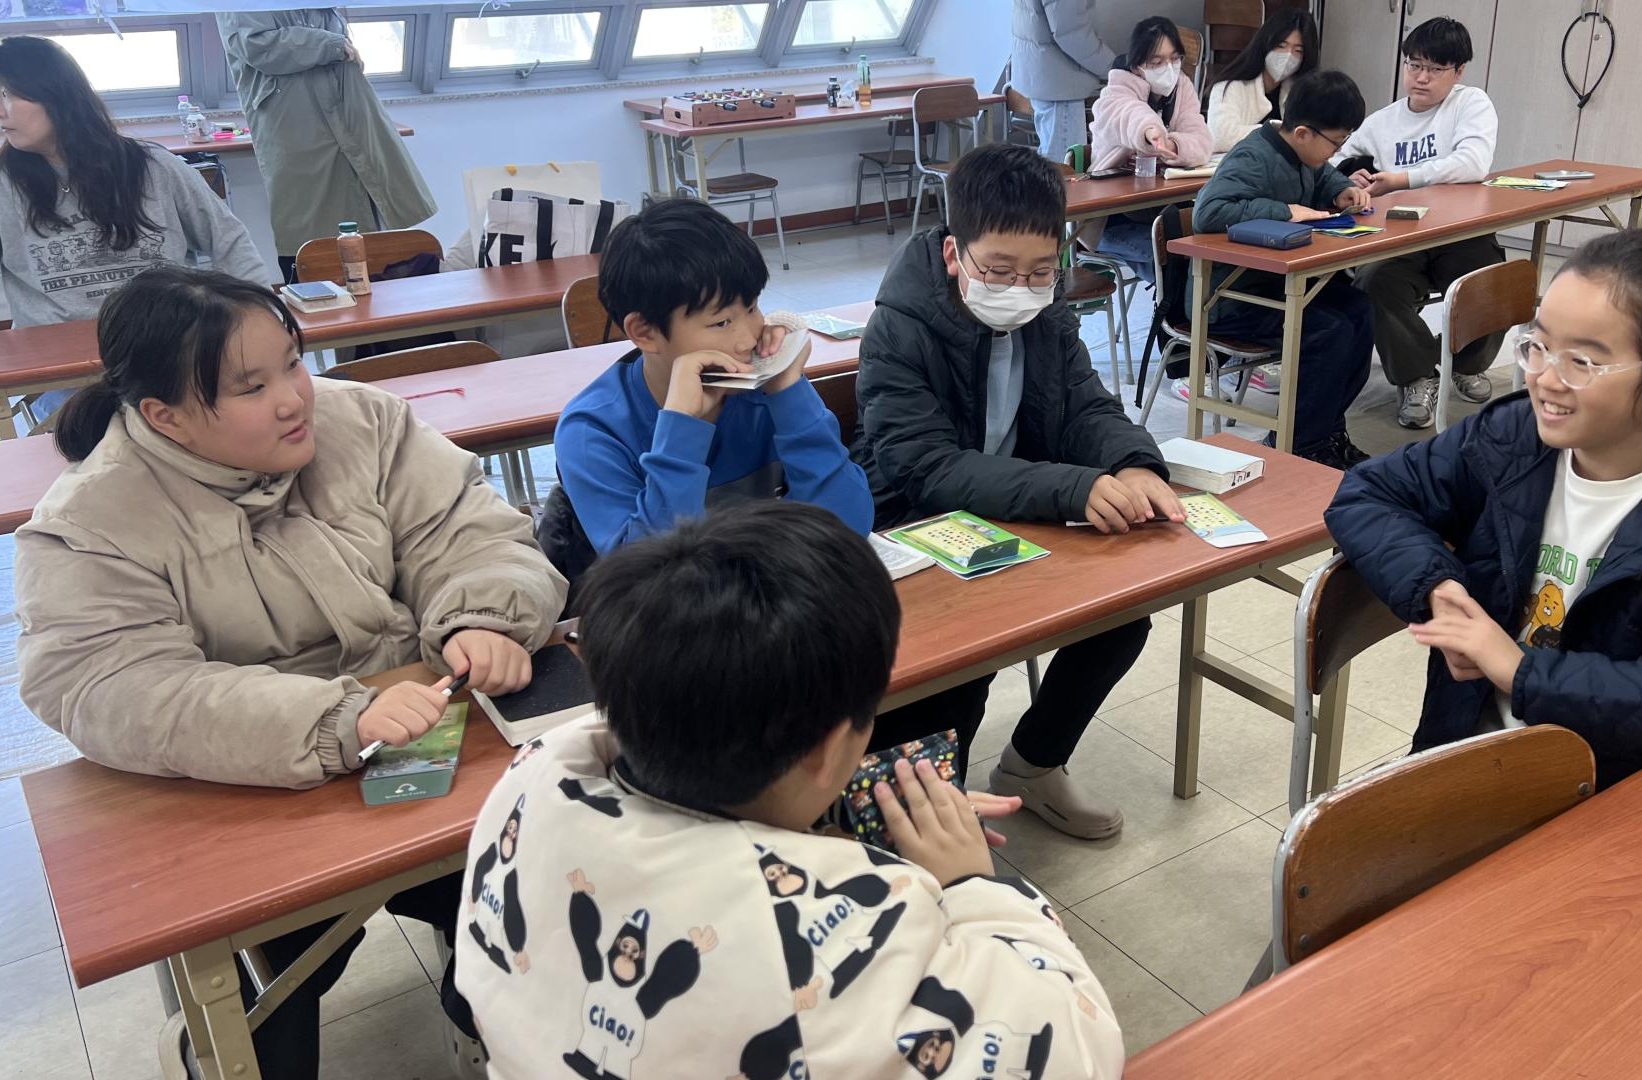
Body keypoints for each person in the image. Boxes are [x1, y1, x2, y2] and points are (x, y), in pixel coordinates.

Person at [13, 266, 565, 1076]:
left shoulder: (363, 420)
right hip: (255, 788)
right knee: (263, 1004)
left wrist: (482, 614)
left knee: (541, 891)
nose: (293, 398)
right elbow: (115, 687)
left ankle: (493, 1024)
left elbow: (466, 530)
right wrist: (334, 719)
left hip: (430, 737)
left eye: (293, 363)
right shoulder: (90, 524)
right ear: (164, 416)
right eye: (251, 387)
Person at [454, 500, 1125, 1079]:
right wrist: (972, 886)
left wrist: (844, 810)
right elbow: (1076, 1047)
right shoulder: (855, 930)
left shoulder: (536, 771)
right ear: (829, 750)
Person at [1324, 228, 1642, 788]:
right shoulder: (1511, 437)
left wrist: (1521, 671)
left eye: (1582, 361)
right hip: (1462, 756)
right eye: (1537, 345)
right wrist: (1437, 587)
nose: (1544, 380)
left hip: (1599, 792)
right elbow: (1367, 493)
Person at [852, 143, 1176, 840]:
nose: (1020, 288)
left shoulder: (1047, 312)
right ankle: (930, 817)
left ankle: (1033, 765)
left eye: (1039, 271)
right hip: (915, 523)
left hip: (1017, 510)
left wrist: (1133, 463)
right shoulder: (900, 326)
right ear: (953, 254)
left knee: (1121, 615)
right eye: (999, 271)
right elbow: (922, 466)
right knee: (964, 667)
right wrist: (1072, 488)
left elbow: (1085, 406)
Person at [539, 197, 873, 603]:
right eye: (721, 322)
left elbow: (849, 529)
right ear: (644, 332)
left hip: (771, 607)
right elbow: (653, 588)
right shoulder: (593, 431)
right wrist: (682, 430)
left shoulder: (765, 393)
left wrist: (789, 390)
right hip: (672, 626)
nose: (748, 338)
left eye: (752, 307)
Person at [0, 36, 271, 422]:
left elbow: (229, 241)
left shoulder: (154, 167)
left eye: (6, 94)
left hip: (168, 350)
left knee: (221, 422)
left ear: (54, 94)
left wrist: (260, 325)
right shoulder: (1, 183)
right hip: (66, 373)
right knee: (119, 432)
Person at [1191, 69, 1375, 469]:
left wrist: (1340, 190)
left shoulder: (1302, 152)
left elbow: (1322, 174)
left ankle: (1325, 431)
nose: (1337, 150)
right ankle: (1299, 444)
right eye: (1336, 142)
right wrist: (1285, 211)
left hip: (1277, 285)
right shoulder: (1253, 157)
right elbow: (1207, 213)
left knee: (1359, 309)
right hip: (1231, 297)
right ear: (1304, 133)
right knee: (1330, 331)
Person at [1333, 17, 1502, 430]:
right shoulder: (1382, 121)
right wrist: (1347, 179)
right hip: (1400, 238)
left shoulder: (1470, 104)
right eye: (1414, 65)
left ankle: (1464, 363)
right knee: (1372, 282)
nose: (1421, 77)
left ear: (1458, 71)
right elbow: (1336, 160)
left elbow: (1473, 162)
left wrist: (1401, 179)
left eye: (1435, 69)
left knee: (1494, 281)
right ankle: (1417, 376)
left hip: (1460, 233)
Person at [218, 9, 435, 281]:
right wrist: (329, 44)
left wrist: (335, 45)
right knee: (306, 227)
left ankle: (369, 296)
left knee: (362, 225)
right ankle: (312, 297)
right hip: (295, 121)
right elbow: (257, 45)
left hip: (344, 109)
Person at [1084, 16, 1213, 282]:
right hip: (1112, 220)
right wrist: (1150, 132)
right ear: (1137, 65)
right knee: (1176, 259)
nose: (1168, 68)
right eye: (1156, 62)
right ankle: (1174, 307)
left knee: (1204, 250)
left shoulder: (1182, 87)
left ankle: (1183, 303)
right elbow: (1129, 114)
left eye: (1175, 59)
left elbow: (1202, 139)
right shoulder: (1115, 93)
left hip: (1159, 210)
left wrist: (1173, 145)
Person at [1010, 0, 1119, 160]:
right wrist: (1114, 67)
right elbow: (1072, 34)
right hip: (1062, 82)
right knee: (1065, 167)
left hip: (1046, 76)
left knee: (1052, 161)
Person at [1205, 11, 1320, 153]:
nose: (1288, 56)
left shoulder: (1300, 91)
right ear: (1266, 43)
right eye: (1281, 46)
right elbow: (1221, 138)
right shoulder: (1230, 87)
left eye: (1298, 50)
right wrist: (1278, 133)